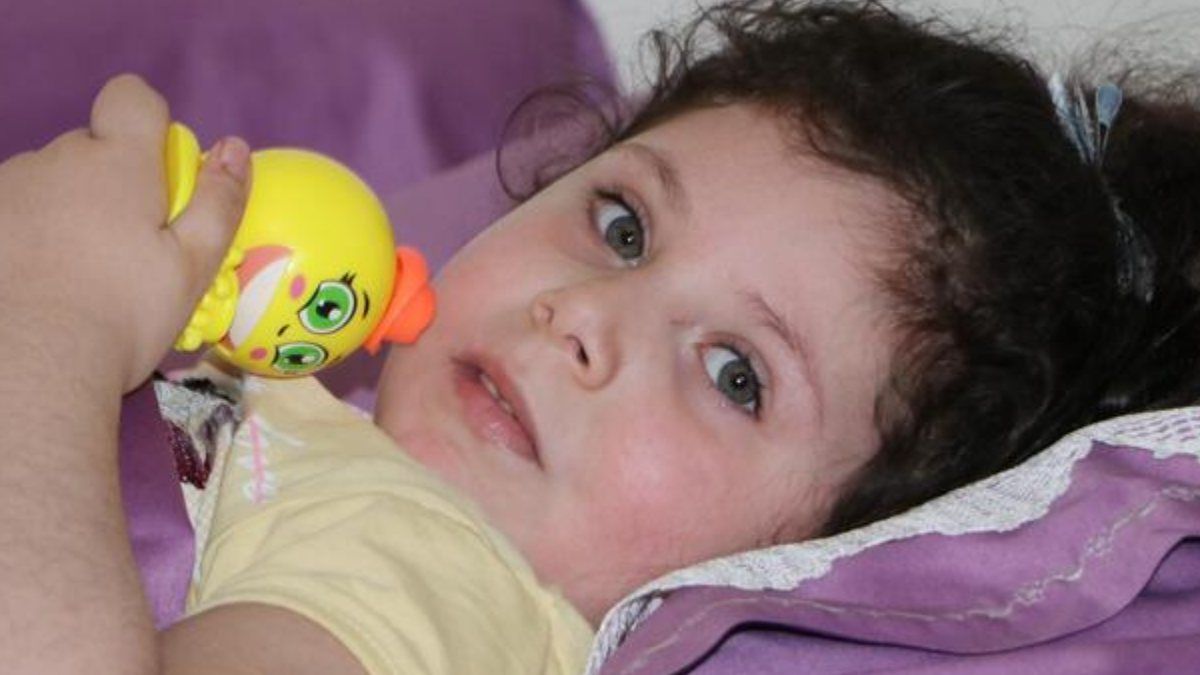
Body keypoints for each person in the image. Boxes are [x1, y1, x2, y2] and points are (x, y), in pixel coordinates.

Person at [2, 0, 1198, 672]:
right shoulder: (321, 413)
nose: (583, 319)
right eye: (623, 227)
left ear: (806, 557)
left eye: (735, 375)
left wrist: (48, 322)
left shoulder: (427, 578)